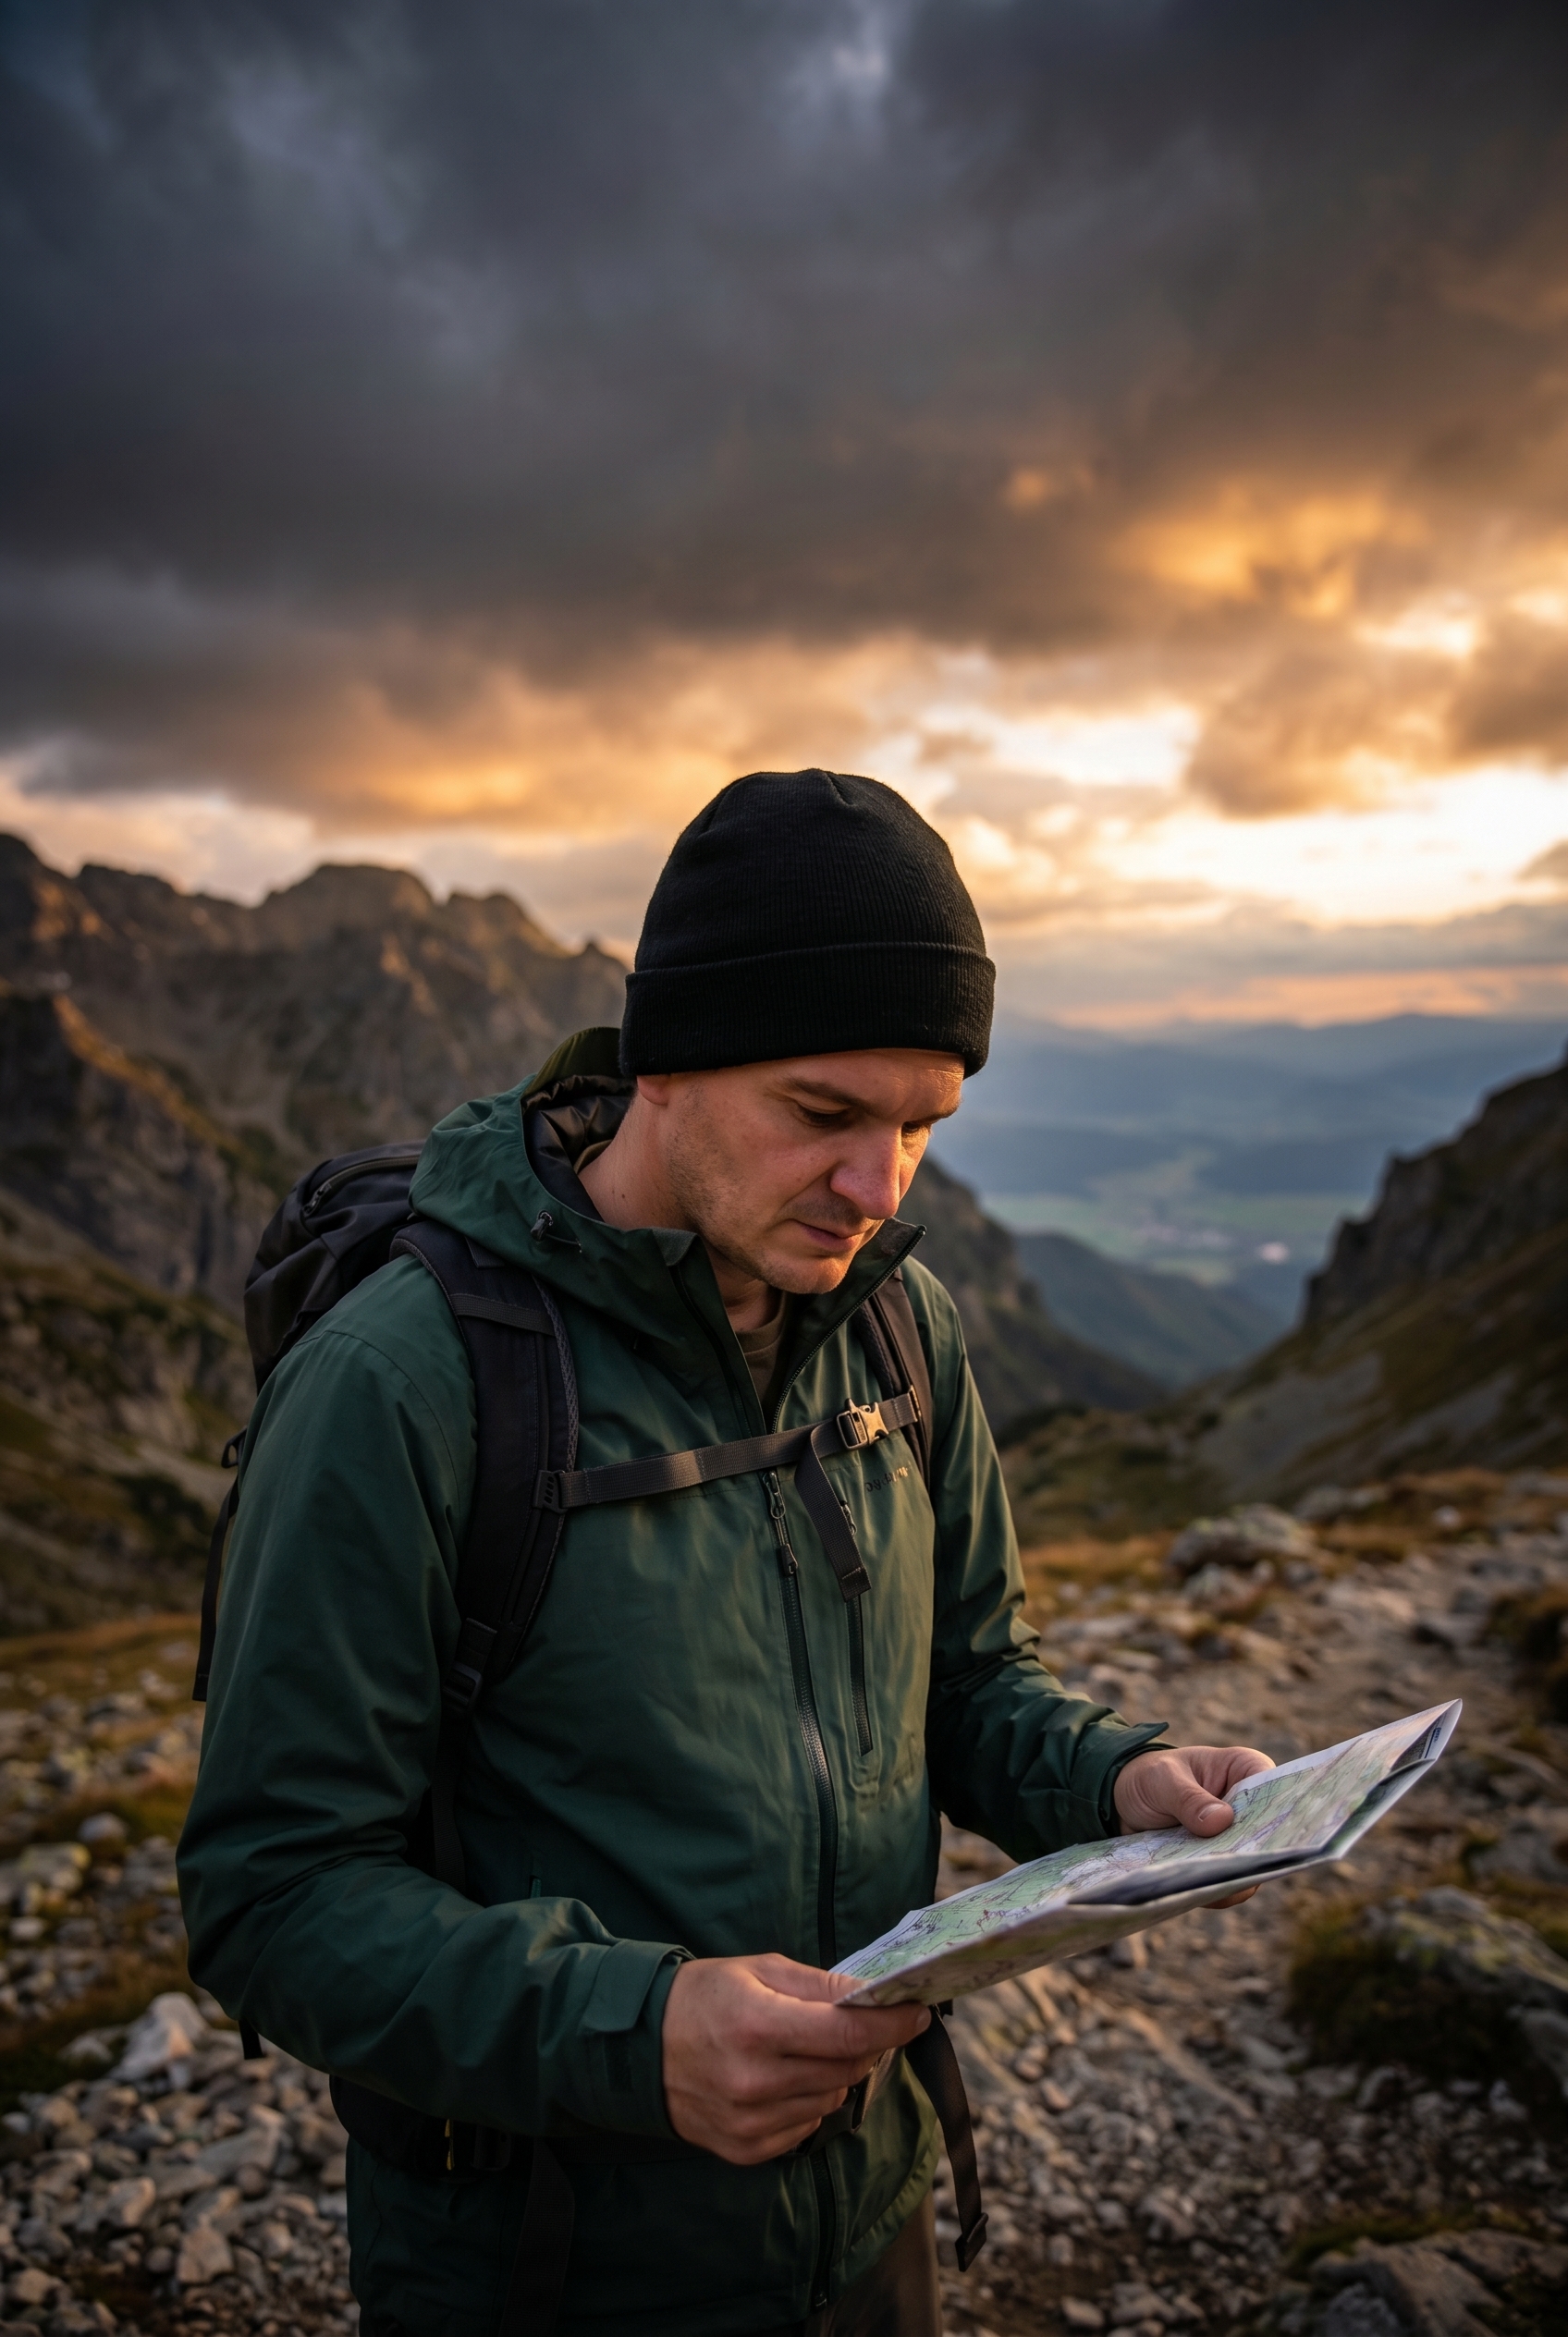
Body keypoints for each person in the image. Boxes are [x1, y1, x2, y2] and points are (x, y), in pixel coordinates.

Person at [180, 769, 1269, 2337]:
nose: (878, 1188)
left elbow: (965, 1686)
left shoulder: (902, 1326)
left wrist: (1115, 1782)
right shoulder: (403, 1382)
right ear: (667, 1066)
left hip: (869, 2210)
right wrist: (644, 2029)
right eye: (824, 1115)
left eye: (922, 1124)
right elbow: (271, 1893)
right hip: (553, 2269)